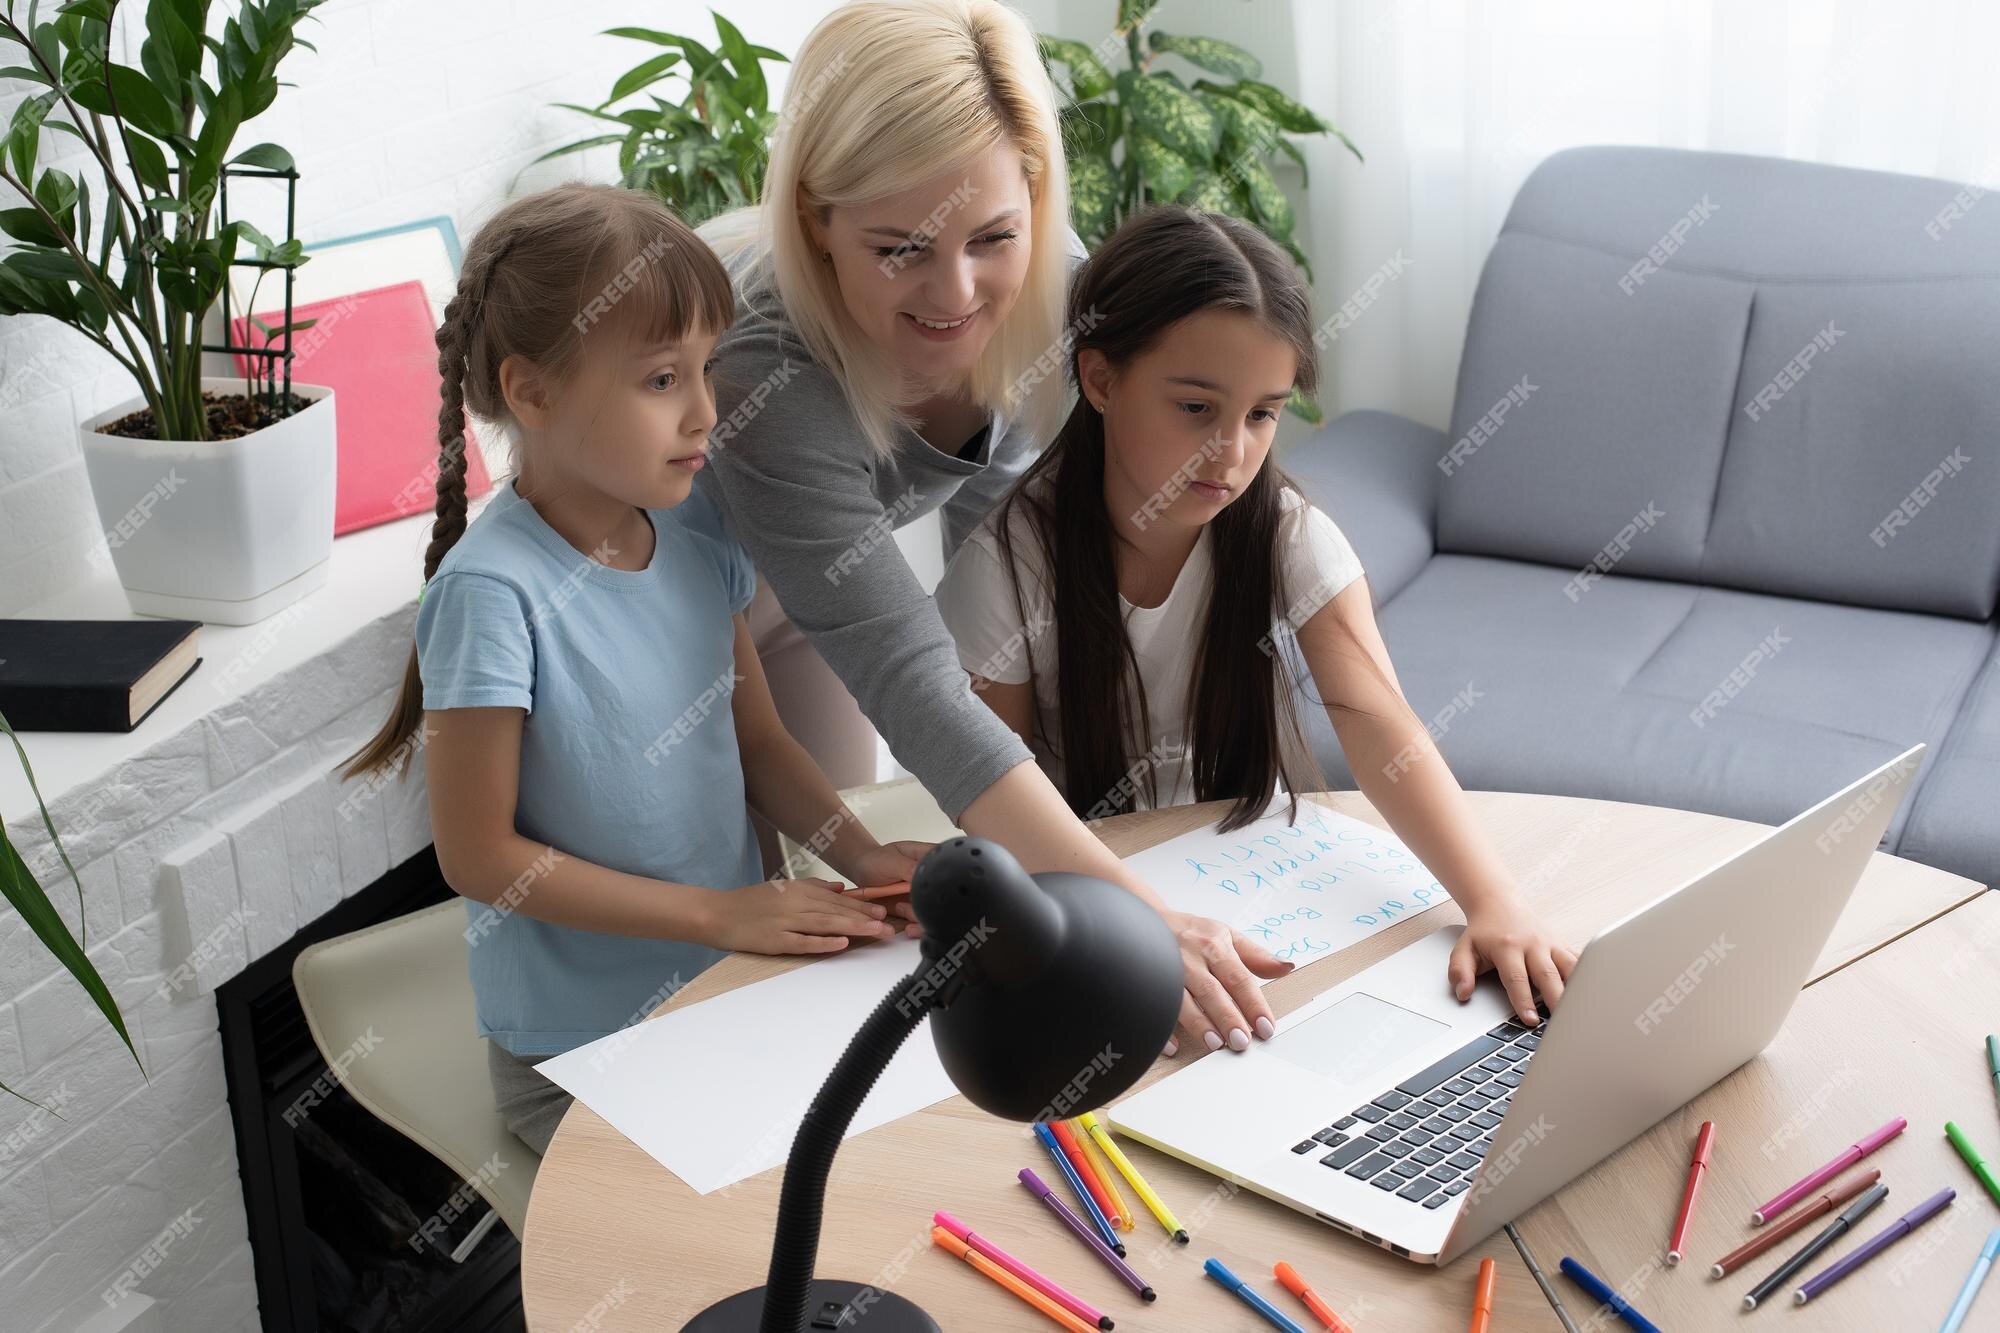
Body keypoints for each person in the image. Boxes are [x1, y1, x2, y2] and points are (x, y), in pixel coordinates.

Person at [696, 0, 1293, 1059]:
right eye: (899, 250)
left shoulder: (1048, 278)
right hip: (690, 610)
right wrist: (1129, 910)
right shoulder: (762, 365)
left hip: (834, 584)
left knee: (858, 900)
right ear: (814, 217)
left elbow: (1007, 563)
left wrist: (1073, 887)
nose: (956, 293)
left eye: (991, 240)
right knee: (729, 934)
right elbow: (913, 676)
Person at [342, 185, 928, 1153]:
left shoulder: (694, 539)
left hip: (724, 1000)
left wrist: (861, 858)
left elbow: (758, 741)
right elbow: (479, 857)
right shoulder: (491, 594)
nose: (706, 410)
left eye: (706, 368)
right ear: (531, 391)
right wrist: (717, 911)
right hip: (581, 1060)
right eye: (662, 379)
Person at [936, 206, 1576, 1023]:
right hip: (1079, 896)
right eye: (1197, 408)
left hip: (1249, 887)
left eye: (1263, 414)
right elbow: (997, 794)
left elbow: (1376, 714)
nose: (1232, 452)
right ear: (1099, 380)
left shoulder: (1282, 529)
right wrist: (1124, 927)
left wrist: (1492, 898)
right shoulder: (1007, 567)